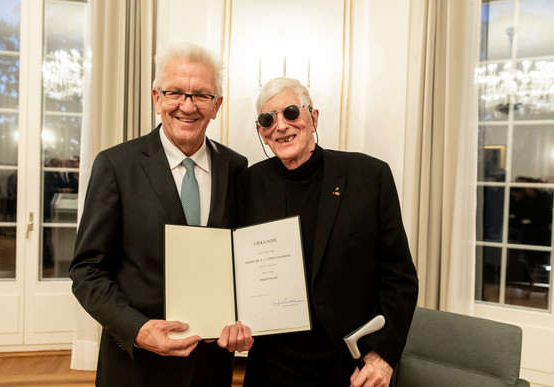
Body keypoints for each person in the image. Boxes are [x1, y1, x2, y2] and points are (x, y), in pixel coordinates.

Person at [69, 42, 252, 387]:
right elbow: (87, 270)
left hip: (210, 367)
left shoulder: (237, 168)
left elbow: (242, 261)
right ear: (156, 98)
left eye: (201, 95)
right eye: (175, 92)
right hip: (136, 367)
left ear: (217, 106)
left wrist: (246, 317)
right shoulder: (116, 166)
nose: (187, 105)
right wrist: (137, 330)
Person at [237, 77, 419, 387]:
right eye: (268, 119)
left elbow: (399, 278)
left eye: (291, 112)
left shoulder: (369, 177)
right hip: (271, 365)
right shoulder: (248, 183)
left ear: (314, 118)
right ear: (262, 133)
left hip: (349, 365)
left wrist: (383, 355)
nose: (281, 125)